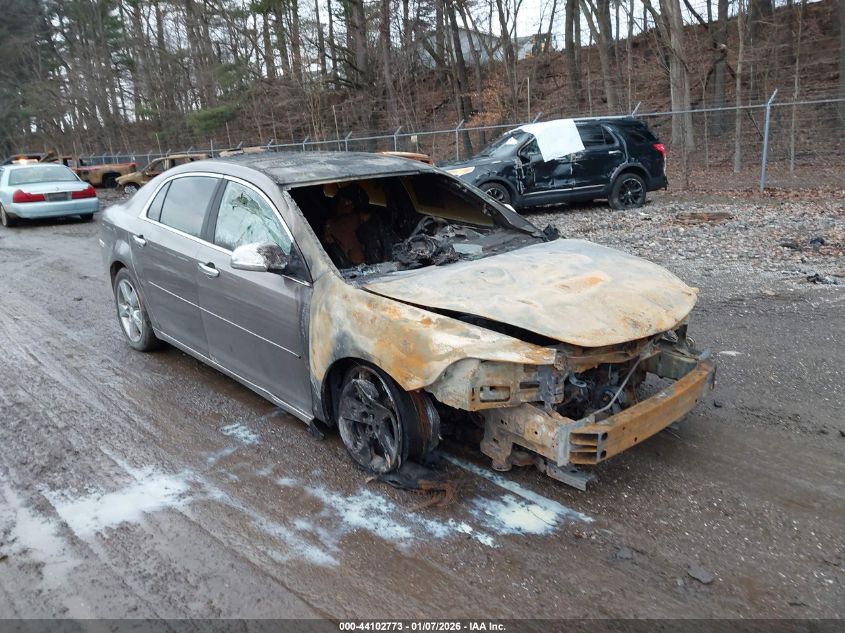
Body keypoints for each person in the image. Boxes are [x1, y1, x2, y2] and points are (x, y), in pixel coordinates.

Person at [323, 184, 371, 266]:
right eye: (343, 202)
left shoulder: (365, 221)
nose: (344, 205)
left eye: (348, 202)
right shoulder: (329, 228)